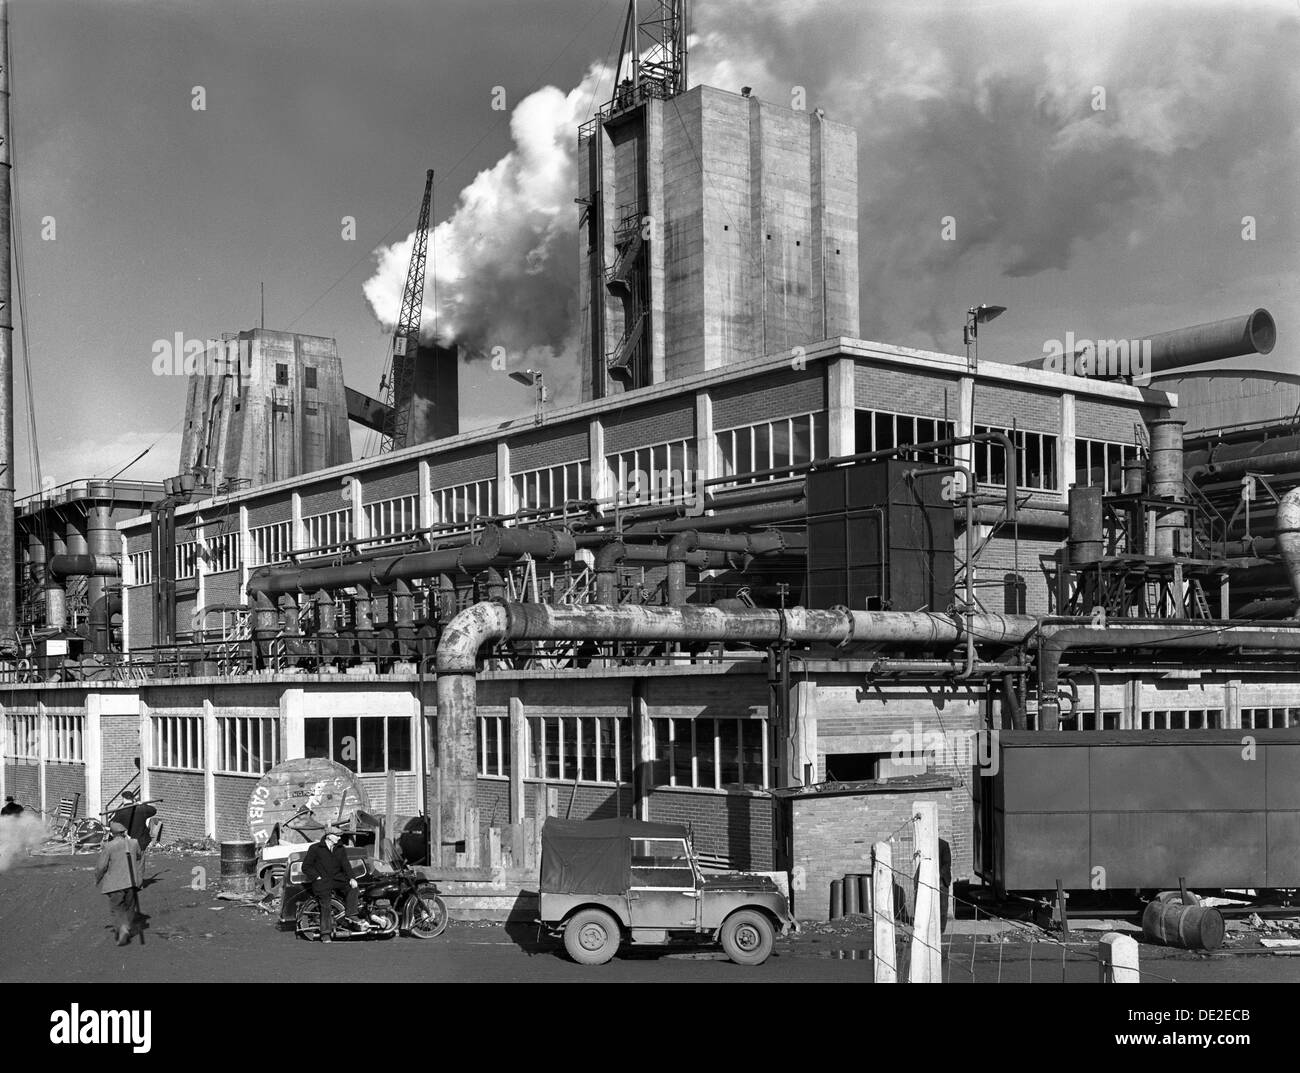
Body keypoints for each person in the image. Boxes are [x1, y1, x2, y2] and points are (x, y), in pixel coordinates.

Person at [301, 826, 359, 943]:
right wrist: (317, 877)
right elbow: (306, 866)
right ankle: (325, 934)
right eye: (337, 836)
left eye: (340, 836)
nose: (339, 838)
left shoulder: (340, 848)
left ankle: (351, 914)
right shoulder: (315, 848)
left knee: (354, 888)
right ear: (329, 836)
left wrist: (352, 878)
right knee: (325, 906)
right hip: (322, 882)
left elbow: (346, 865)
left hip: (337, 879)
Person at [93, 821, 142, 946]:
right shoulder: (134, 843)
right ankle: (127, 927)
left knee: (117, 908)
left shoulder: (109, 846)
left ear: (112, 834)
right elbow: (138, 857)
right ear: (124, 832)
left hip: (115, 884)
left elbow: (101, 867)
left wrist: (97, 879)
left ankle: (122, 929)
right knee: (130, 907)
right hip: (131, 882)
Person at [110, 789, 157, 855]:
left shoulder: (121, 811)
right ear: (133, 799)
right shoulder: (141, 809)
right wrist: (142, 805)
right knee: (140, 860)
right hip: (142, 840)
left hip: (128, 840)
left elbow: (114, 824)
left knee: (130, 861)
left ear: (123, 799)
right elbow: (153, 810)